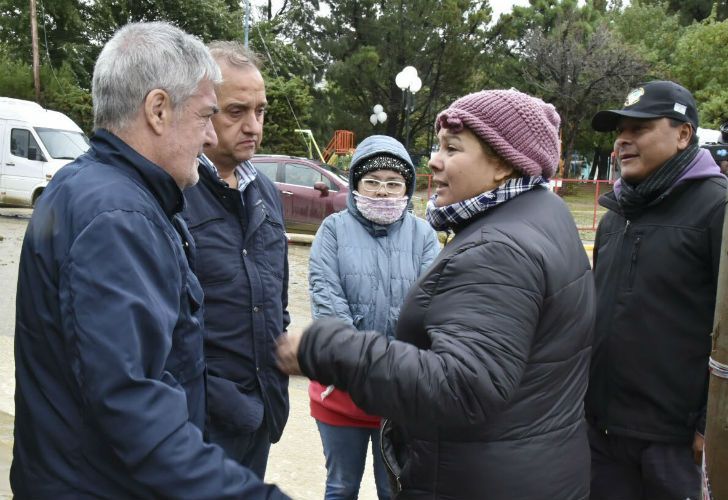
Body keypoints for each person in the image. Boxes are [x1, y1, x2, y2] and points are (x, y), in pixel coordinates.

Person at [11, 22, 289, 499]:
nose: (207, 138)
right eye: (206, 116)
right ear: (158, 110)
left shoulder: (99, 189)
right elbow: (132, 402)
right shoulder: (117, 216)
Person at [277, 89, 595, 499]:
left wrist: (329, 348)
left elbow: (462, 385)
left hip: (484, 479)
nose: (434, 160)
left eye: (452, 148)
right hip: (529, 468)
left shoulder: (497, 248)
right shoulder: (542, 215)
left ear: (501, 163)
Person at [586, 80, 727, 500]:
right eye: (619, 131)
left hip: (676, 445)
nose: (623, 141)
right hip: (604, 435)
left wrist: (709, 423)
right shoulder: (615, 215)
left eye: (640, 128)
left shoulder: (717, 208)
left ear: (683, 134)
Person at [307, 135, 439, 500]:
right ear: (355, 185)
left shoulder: (424, 235)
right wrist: (362, 365)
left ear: (407, 188)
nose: (383, 192)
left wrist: (396, 370)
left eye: (394, 183)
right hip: (342, 386)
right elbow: (327, 302)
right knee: (341, 487)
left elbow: (429, 309)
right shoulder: (332, 231)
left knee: (395, 487)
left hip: (400, 392)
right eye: (373, 182)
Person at [182, 41, 289, 479]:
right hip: (199, 422)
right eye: (236, 111)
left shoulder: (264, 191)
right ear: (203, 108)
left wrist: (271, 391)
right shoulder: (176, 190)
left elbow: (276, 300)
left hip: (259, 415)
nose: (253, 126)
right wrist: (214, 398)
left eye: (261, 111)